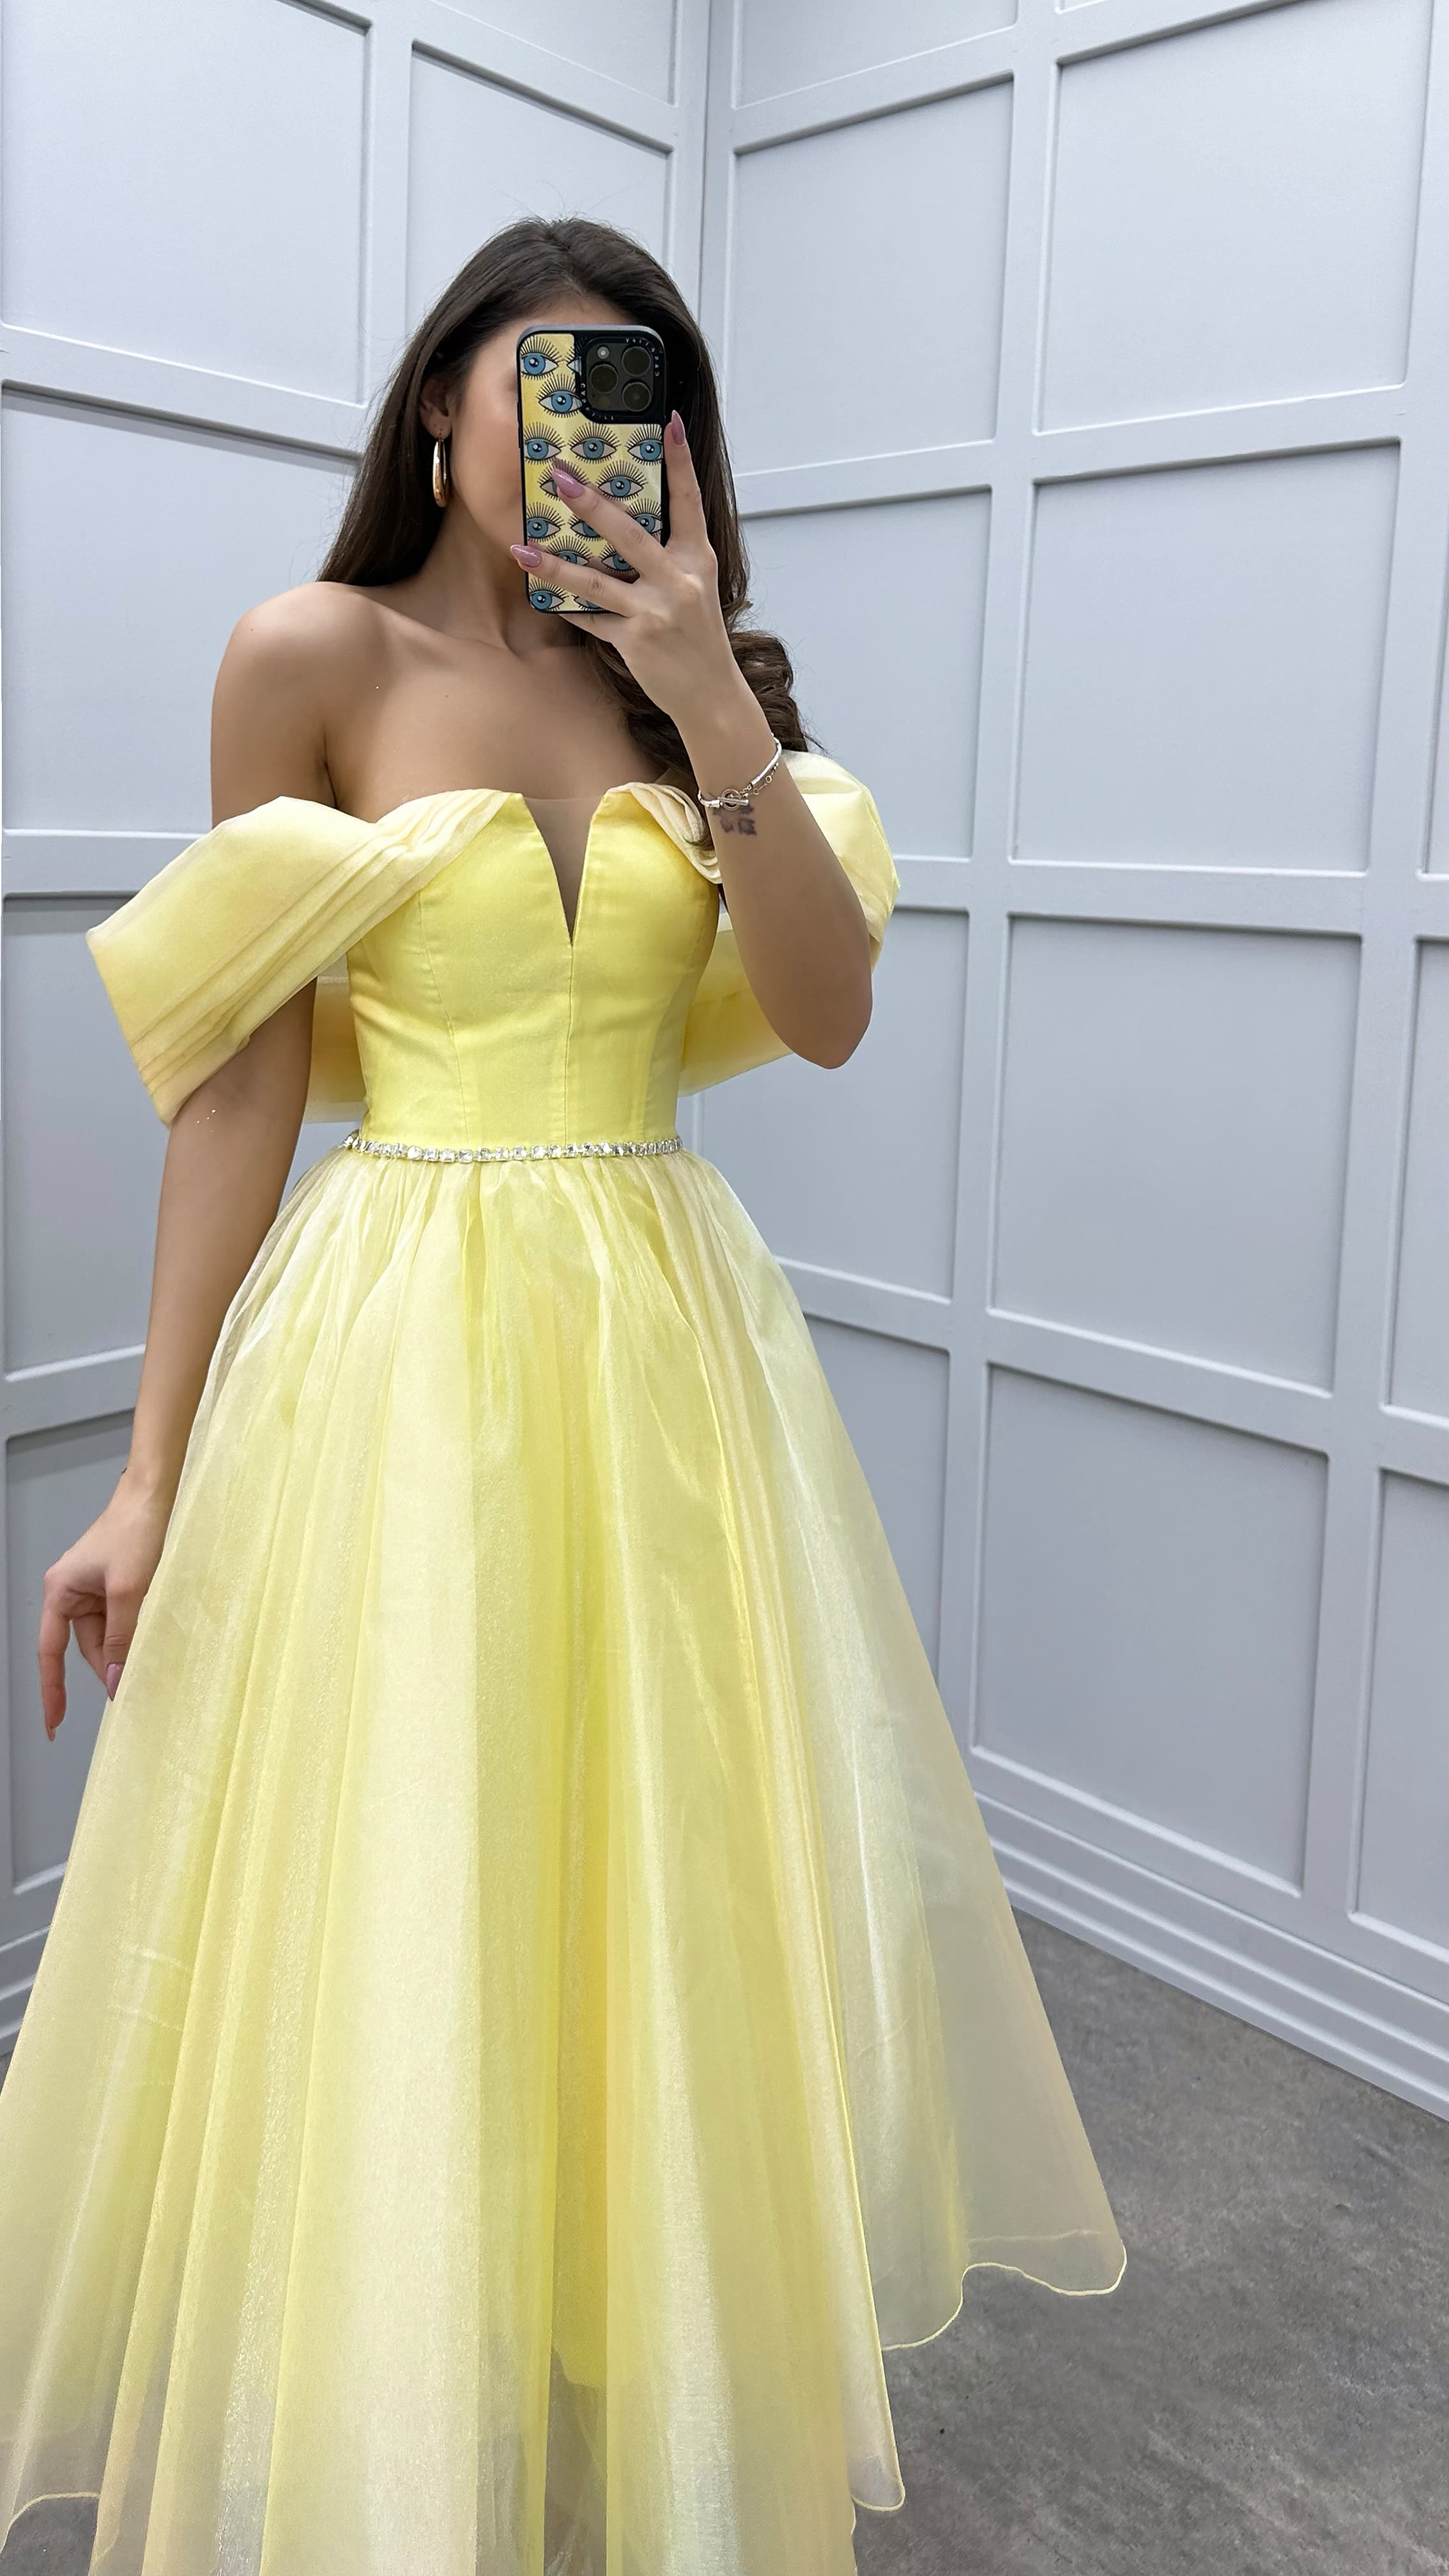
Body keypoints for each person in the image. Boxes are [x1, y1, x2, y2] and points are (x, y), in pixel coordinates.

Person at [0, 217, 1124, 2575]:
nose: (583, 438)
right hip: (398, 1348)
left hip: (661, 1349)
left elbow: (820, 1016)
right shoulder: (311, 658)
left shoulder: (686, 693)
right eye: (541, 386)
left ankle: (614, 2368)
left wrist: (706, 690)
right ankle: (402, 2416)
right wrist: (147, 1472)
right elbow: (238, 1083)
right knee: (409, 1860)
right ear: (442, 405)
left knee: (644, 1873)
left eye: (637, 400)